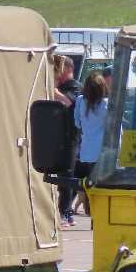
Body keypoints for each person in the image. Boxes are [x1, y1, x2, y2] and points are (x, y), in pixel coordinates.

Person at [72, 71, 108, 217]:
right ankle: (97, 217)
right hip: (104, 152)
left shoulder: (80, 101)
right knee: (102, 188)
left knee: (89, 186)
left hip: (86, 151)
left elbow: (77, 123)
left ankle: (91, 213)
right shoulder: (106, 104)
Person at [52, 54, 81, 225]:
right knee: (61, 175)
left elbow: (66, 102)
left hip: (71, 137)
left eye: (59, 68)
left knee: (67, 176)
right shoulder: (61, 86)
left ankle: (66, 212)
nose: (57, 72)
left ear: (68, 69)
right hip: (56, 136)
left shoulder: (75, 87)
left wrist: (51, 84)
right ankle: (64, 211)